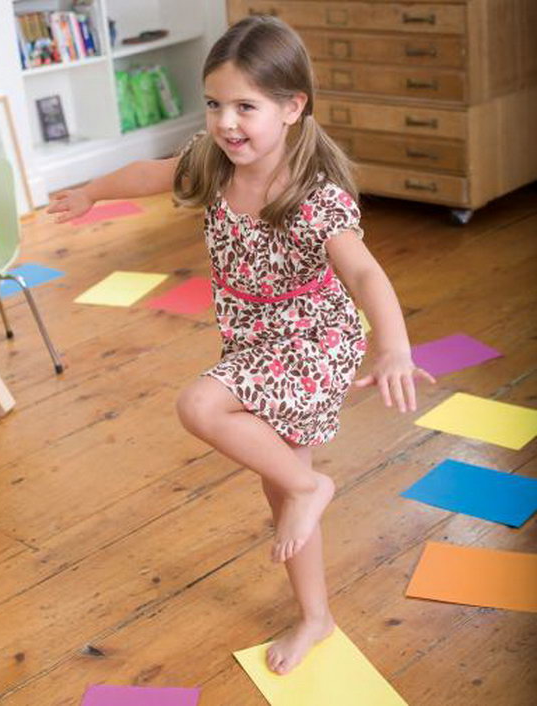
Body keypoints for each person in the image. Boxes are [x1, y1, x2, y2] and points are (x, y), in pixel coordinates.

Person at [48, 15, 435, 676]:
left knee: (202, 406)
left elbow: (366, 273)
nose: (227, 122)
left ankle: (311, 493)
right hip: (254, 343)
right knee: (282, 490)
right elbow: (150, 173)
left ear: (291, 107)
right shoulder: (213, 160)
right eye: (215, 103)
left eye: (245, 107)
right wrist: (90, 191)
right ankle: (316, 615)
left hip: (313, 344)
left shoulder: (314, 197)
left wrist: (393, 347)